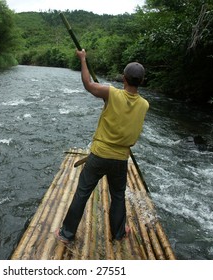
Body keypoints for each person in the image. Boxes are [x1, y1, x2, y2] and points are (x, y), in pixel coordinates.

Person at [55, 49, 149, 244]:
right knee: (117, 196)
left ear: (123, 78)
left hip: (99, 156)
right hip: (121, 158)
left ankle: (66, 234)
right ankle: (118, 233)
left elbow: (88, 84)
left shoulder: (110, 93)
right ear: (141, 81)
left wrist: (83, 59)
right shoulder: (144, 105)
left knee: (83, 192)